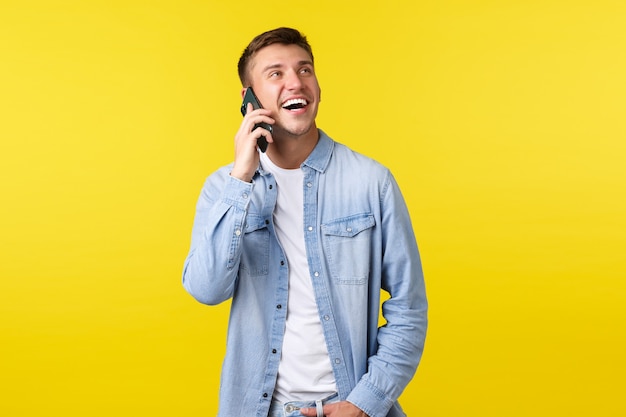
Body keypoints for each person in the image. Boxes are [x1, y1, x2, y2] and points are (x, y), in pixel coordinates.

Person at [182, 27, 428, 417]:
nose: (295, 82)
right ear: (249, 98)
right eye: (275, 73)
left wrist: (365, 402)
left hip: (350, 407)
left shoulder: (371, 181)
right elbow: (206, 288)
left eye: (305, 70)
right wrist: (241, 179)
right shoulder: (223, 188)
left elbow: (409, 306)